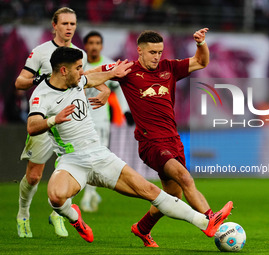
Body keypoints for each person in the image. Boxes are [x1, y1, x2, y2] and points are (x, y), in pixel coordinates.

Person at [26, 46, 233, 243]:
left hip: (100, 156)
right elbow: (32, 126)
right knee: (56, 197)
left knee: (151, 191)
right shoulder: (42, 95)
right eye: (78, 68)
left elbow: (93, 77)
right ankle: (74, 217)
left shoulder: (77, 81)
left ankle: (204, 222)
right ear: (63, 70)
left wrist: (111, 77)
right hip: (71, 160)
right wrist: (54, 119)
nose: (82, 72)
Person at [90, 28, 228, 247]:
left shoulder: (169, 68)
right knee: (185, 177)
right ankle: (210, 218)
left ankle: (142, 228)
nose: (157, 56)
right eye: (152, 52)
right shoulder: (126, 69)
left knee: (172, 195)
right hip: (150, 143)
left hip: (173, 139)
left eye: (159, 52)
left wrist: (201, 43)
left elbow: (201, 62)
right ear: (140, 51)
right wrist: (105, 85)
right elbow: (88, 75)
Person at [15, 7, 110, 238]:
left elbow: (84, 78)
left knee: (76, 169)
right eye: (65, 23)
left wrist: (105, 89)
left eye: (73, 24)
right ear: (54, 25)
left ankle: (57, 215)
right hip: (45, 119)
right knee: (34, 176)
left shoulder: (80, 53)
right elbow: (20, 82)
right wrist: (41, 78)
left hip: (69, 123)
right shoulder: (40, 52)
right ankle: (23, 214)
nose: (69, 28)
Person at [80, 31, 132, 212]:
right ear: (86, 46)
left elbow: (118, 89)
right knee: (79, 158)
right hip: (77, 121)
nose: (94, 46)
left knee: (95, 159)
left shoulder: (108, 64)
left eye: (97, 43)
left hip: (100, 121)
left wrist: (126, 112)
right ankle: (87, 193)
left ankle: (89, 195)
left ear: (101, 46)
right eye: (91, 43)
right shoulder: (78, 64)